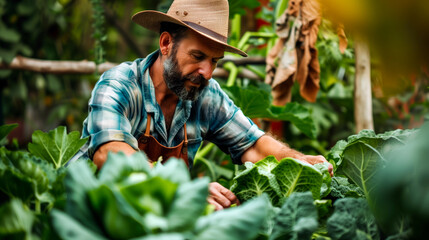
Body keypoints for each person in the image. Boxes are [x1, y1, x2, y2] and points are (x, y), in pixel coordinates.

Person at [74, 0, 333, 210]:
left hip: (152, 214)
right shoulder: (119, 85)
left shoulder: (205, 94)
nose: (207, 72)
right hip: (86, 210)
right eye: (198, 56)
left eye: (215, 61)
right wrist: (184, 189)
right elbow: (108, 152)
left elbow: (253, 145)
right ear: (166, 43)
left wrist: (298, 161)